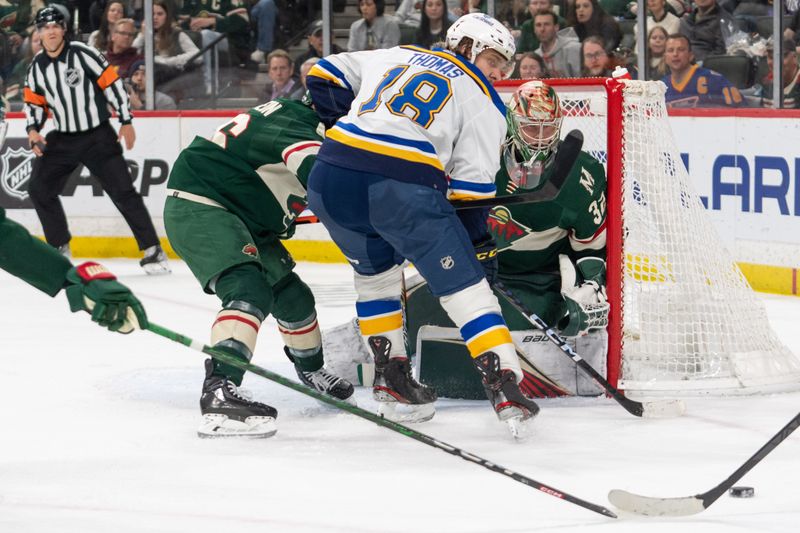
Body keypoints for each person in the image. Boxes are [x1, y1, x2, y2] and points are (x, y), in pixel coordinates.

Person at [306, 13, 540, 433]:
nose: (498, 72)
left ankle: (392, 378)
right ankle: (506, 387)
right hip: (399, 187)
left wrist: (342, 126)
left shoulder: (398, 53)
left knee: (375, 278)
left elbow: (323, 74)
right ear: (466, 47)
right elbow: (470, 196)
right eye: (493, 60)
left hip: (330, 177)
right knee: (467, 288)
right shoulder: (486, 102)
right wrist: (477, 253)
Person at [402, 80, 609, 400]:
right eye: (530, 128)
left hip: (533, 282)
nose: (541, 139)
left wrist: (589, 290)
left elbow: (592, 247)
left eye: (548, 128)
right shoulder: (477, 154)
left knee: (486, 340)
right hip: (470, 271)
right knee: (401, 314)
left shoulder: (582, 176)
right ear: (512, 123)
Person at [163, 97, 355, 438]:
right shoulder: (304, 129)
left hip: (241, 212)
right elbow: (327, 183)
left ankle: (311, 370)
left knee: (293, 297)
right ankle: (220, 388)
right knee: (247, 289)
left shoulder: (292, 114)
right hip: (204, 203)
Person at [24, 7, 170, 274]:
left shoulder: (82, 53)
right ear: (40, 32)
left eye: (56, 25)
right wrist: (33, 130)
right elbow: (34, 102)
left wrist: (125, 120)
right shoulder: (37, 66)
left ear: (63, 29)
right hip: (63, 138)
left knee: (123, 191)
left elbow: (112, 84)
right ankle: (59, 245)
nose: (51, 31)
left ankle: (153, 250)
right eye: (45, 27)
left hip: (97, 135)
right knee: (39, 188)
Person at [662, 33, 743, 107]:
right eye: (670, 50)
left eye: (681, 49)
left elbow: (742, 110)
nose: (675, 54)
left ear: (691, 55)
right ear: (665, 58)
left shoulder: (714, 81)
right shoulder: (660, 88)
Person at [534, 10, 581, 78]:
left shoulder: (574, 48)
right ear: (534, 30)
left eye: (546, 24)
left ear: (556, 27)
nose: (542, 29)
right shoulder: (536, 56)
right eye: (538, 25)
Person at [761, 39, 800, 108]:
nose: (775, 62)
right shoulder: (766, 82)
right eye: (770, 57)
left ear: (795, 57)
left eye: (781, 57)